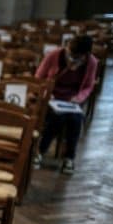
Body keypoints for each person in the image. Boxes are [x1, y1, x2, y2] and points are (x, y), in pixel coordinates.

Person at [34, 35, 98, 174]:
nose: (72, 59)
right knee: (57, 117)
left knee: (76, 120)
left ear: (85, 55)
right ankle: (40, 152)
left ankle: (69, 158)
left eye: (77, 57)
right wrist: (47, 93)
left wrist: (78, 98)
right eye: (71, 54)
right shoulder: (55, 55)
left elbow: (88, 86)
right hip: (52, 97)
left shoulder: (91, 62)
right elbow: (39, 77)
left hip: (72, 100)